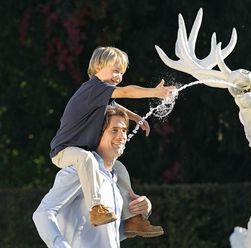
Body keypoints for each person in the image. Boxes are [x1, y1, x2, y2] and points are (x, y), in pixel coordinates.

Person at [50, 46, 174, 226]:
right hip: (63, 151)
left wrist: (137, 118)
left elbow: (116, 106)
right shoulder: (94, 88)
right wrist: (154, 92)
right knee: (86, 158)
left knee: (119, 168)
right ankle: (96, 208)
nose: (119, 77)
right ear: (99, 66)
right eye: (116, 71)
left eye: (122, 73)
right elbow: (126, 92)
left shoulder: (100, 93)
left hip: (86, 153)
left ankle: (132, 219)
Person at [33, 107, 163, 248]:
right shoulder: (79, 170)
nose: (121, 136)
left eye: (124, 130)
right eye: (114, 130)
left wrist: (145, 209)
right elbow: (42, 214)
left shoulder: (114, 179)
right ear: (98, 134)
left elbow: (111, 235)